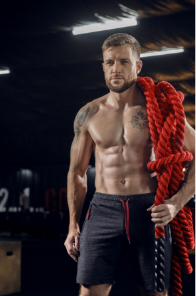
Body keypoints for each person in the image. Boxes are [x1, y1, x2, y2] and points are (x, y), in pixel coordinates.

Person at [64, 33, 196, 296]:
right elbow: (77, 173)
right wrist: (72, 224)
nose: (116, 69)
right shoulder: (89, 114)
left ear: (138, 66)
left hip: (149, 209)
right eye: (109, 62)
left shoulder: (160, 108)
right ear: (103, 66)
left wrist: (176, 202)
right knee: (89, 292)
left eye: (124, 61)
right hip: (102, 210)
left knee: (155, 293)